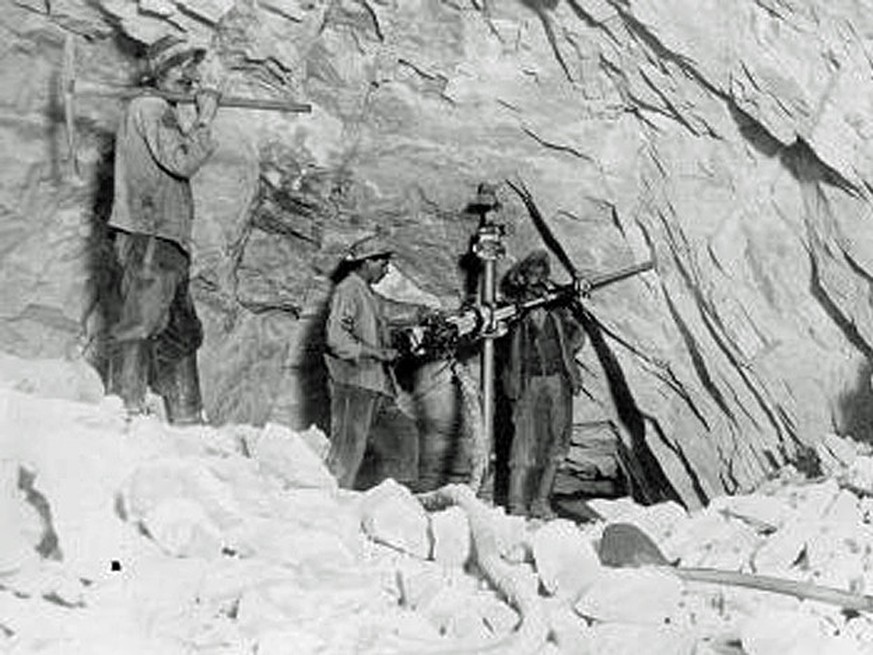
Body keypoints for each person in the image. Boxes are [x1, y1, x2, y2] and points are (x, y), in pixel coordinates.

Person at [107, 33, 221, 424]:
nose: (190, 76)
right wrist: (205, 118)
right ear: (158, 72)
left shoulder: (158, 110)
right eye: (180, 67)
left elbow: (174, 160)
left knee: (182, 332)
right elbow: (182, 161)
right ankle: (125, 411)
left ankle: (188, 418)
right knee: (140, 322)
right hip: (149, 237)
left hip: (166, 238)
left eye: (192, 67)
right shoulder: (152, 108)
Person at [324, 235, 432, 489]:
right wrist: (378, 352)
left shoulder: (366, 294)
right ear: (367, 262)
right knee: (348, 449)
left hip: (378, 387)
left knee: (403, 435)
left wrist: (421, 312)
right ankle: (330, 506)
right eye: (383, 264)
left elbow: (388, 310)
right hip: (354, 383)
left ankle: (395, 501)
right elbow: (336, 339)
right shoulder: (347, 290)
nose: (387, 270)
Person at [501, 250, 586, 518]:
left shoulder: (556, 307)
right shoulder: (513, 308)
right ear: (522, 278)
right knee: (524, 443)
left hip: (558, 380)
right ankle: (516, 504)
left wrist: (566, 348)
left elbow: (577, 335)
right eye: (532, 274)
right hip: (529, 381)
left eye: (542, 274)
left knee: (557, 441)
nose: (537, 279)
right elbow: (506, 340)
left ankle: (541, 501)